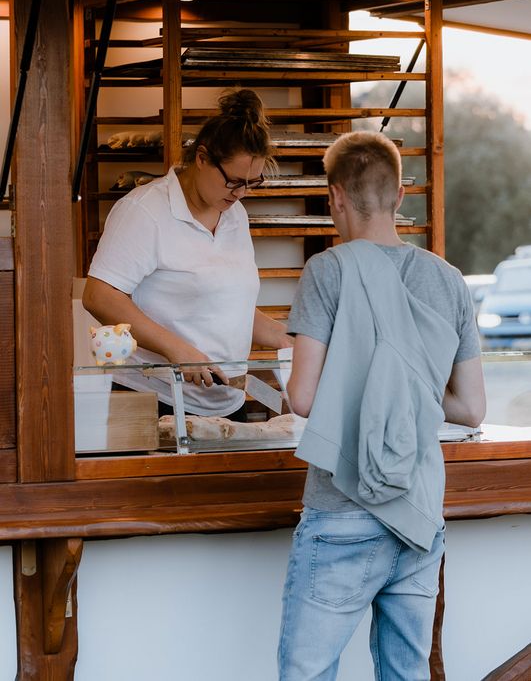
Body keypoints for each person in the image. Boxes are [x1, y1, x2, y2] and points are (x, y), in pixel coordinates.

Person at [278, 131, 486, 680]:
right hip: (420, 511)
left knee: (307, 671)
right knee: (406, 673)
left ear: (335, 197)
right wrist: (411, 389)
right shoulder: (449, 281)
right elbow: (471, 408)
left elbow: (302, 396)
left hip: (343, 508)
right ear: (399, 195)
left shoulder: (328, 270)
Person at [83, 88, 292, 421]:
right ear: (202, 158)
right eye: (234, 181)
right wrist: (177, 350)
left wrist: (283, 336)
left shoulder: (234, 214)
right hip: (154, 397)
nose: (241, 193)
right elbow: (99, 296)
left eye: (252, 183)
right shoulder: (145, 211)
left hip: (226, 400)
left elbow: (223, 304)